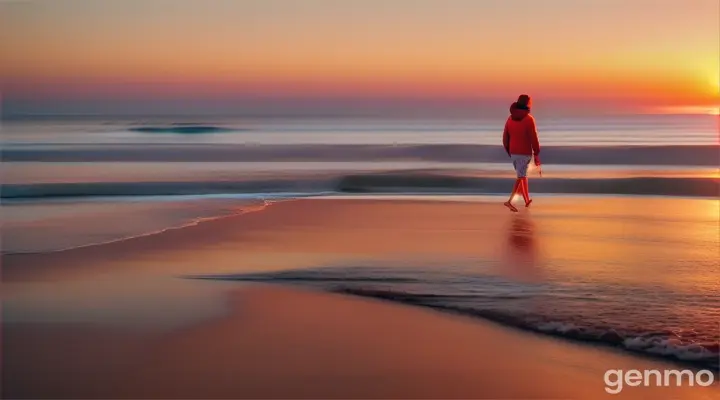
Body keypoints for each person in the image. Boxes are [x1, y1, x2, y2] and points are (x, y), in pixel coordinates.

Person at [502, 94, 541, 212]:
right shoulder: (529, 119)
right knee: (521, 177)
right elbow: (533, 138)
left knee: (522, 175)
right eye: (530, 102)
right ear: (527, 104)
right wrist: (537, 153)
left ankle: (526, 200)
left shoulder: (510, 119)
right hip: (524, 153)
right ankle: (509, 201)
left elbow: (505, 137)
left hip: (513, 152)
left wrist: (509, 150)